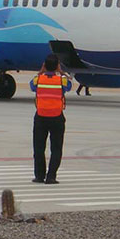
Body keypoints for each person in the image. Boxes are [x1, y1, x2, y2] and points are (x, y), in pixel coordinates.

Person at [29, 53, 71, 184]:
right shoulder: (61, 80)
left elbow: (32, 86)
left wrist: (40, 72)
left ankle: (39, 176)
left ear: (44, 65)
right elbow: (69, 86)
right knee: (56, 148)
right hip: (56, 117)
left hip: (41, 116)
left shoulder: (38, 80)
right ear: (57, 66)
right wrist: (61, 72)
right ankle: (51, 176)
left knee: (39, 148)